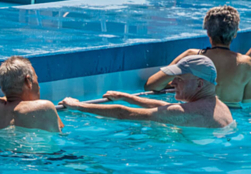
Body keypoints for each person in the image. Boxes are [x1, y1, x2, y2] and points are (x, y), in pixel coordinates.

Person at [61, 55, 234, 129]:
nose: (172, 83)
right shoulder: (218, 105)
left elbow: (124, 114)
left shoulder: (192, 112)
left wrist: (78, 106)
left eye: (179, 79)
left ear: (199, 84)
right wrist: (127, 97)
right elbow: (167, 107)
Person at [144, 6, 251, 107]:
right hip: (230, 116)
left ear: (208, 32)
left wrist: (176, 81)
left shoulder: (191, 56)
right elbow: (247, 104)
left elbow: (151, 86)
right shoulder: (246, 64)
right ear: (235, 34)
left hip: (194, 112)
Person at [0, 56, 62, 132]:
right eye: (36, 79)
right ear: (28, 81)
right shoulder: (45, 108)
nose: (39, 87)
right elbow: (61, 134)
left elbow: (10, 99)